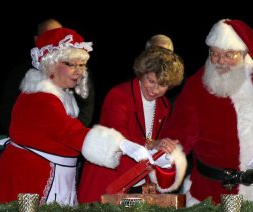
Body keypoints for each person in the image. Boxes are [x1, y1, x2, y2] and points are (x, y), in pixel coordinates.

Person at [0, 27, 172, 206]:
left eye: (81, 65)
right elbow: (72, 133)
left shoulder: (58, 97)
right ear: (50, 64)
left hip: (51, 178)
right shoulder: (39, 98)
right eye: (70, 64)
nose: (78, 71)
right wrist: (123, 144)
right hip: (30, 182)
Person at [158, 19, 253, 208]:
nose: (219, 61)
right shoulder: (196, 85)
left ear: (243, 53)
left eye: (228, 55)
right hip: (209, 195)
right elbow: (181, 130)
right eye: (214, 54)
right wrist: (169, 153)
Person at [77, 47, 187, 203]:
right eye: (151, 81)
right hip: (109, 177)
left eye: (162, 85)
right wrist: (152, 144)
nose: (155, 89)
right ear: (141, 74)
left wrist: (166, 148)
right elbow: (118, 137)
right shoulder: (119, 95)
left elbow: (158, 141)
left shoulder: (164, 105)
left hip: (140, 181)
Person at [0, 19, 95, 134]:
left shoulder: (77, 70)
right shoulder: (21, 74)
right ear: (36, 40)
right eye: (49, 35)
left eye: (61, 34)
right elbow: (8, 113)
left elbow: (86, 106)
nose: (57, 39)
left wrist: (76, 132)